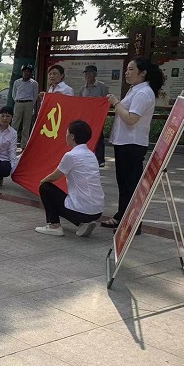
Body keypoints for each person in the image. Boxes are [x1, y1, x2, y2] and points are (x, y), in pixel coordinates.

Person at [101, 56, 165, 229]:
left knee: (131, 185)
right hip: (124, 142)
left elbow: (131, 119)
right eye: (127, 69)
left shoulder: (143, 93)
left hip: (132, 144)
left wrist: (116, 103)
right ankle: (122, 216)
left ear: (142, 73)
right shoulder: (135, 89)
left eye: (131, 69)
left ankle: (132, 225)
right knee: (123, 183)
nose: (127, 73)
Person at [35, 120, 104, 237]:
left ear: (72, 136)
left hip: (82, 211)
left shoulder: (71, 155)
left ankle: (54, 226)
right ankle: (82, 224)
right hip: (97, 210)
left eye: (67, 133)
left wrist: (42, 181)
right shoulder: (91, 154)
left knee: (45, 188)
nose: (65, 136)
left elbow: (54, 176)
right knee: (70, 198)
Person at [78, 65, 109, 167]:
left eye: (90, 73)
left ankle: (100, 159)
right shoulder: (83, 88)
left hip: (98, 117)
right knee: (85, 137)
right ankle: (86, 158)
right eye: (86, 73)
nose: (88, 75)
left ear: (95, 74)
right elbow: (80, 102)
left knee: (99, 137)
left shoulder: (102, 86)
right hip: (86, 117)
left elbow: (107, 101)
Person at [11, 64, 38, 147]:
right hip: (18, 103)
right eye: (25, 71)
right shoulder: (17, 82)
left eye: (28, 71)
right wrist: (17, 101)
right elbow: (13, 94)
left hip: (29, 104)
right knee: (15, 123)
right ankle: (11, 143)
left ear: (31, 73)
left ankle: (24, 145)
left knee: (26, 125)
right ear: (22, 72)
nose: (26, 73)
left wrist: (30, 104)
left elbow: (35, 95)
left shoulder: (34, 83)